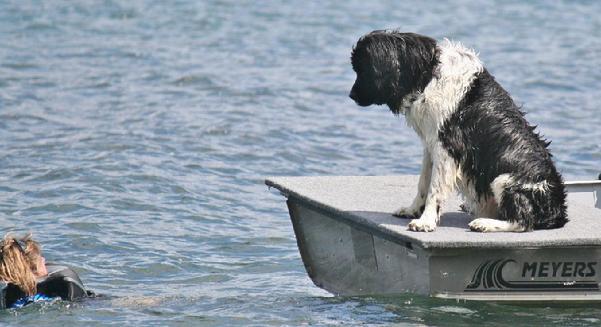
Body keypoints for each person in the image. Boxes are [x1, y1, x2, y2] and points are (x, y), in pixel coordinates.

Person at [0, 234, 55, 309]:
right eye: (40, 257)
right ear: (31, 269)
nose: (43, 260)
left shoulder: (4, 292)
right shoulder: (62, 285)